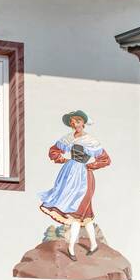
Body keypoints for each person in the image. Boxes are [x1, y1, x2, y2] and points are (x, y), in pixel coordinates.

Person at [38, 110, 111, 260]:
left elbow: (105, 159)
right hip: (69, 174)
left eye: (77, 121)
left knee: (77, 213)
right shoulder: (68, 138)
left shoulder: (91, 140)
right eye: (72, 122)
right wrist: (62, 160)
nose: (75, 124)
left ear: (83, 123)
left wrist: (90, 166)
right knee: (86, 215)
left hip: (83, 177)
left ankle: (71, 248)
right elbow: (54, 151)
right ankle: (94, 245)